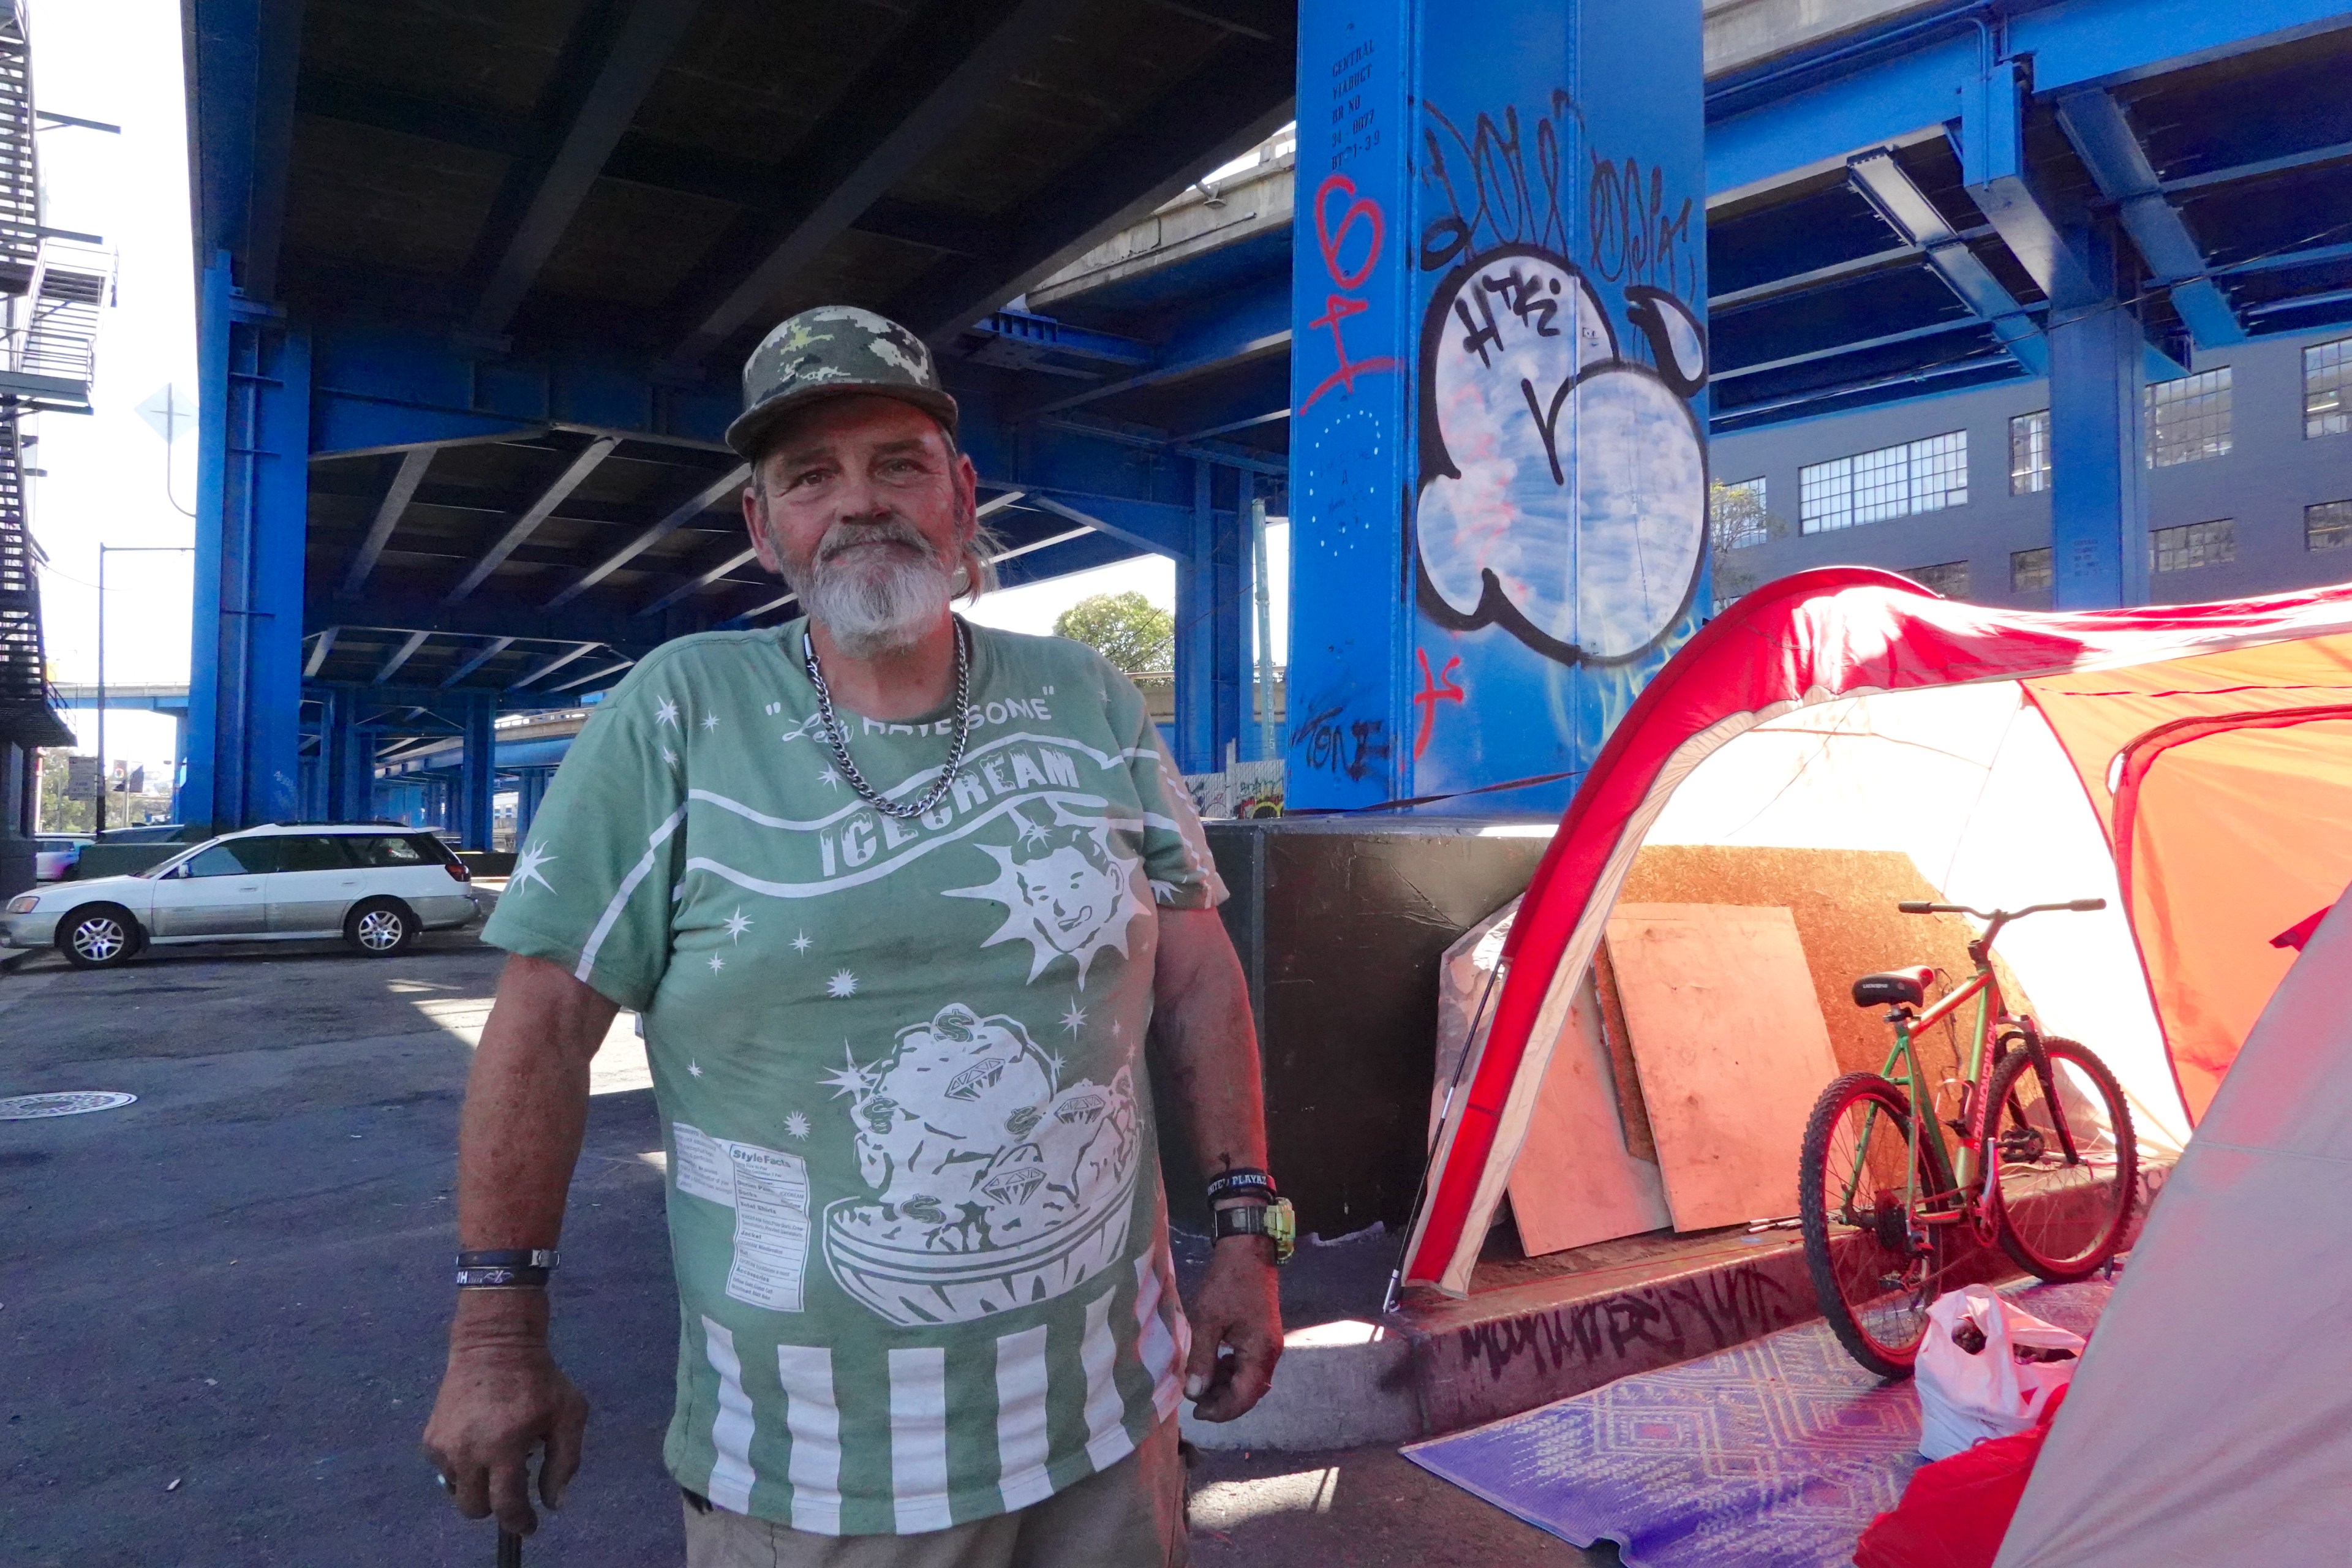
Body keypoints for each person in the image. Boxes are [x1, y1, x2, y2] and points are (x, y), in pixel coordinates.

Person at [422, 305, 1287, 1566]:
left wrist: (1248, 1236)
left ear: (961, 493)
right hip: (818, 1470)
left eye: (899, 462)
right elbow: (544, 1028)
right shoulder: (680, 712)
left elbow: (1199, 982)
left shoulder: (1087, 695)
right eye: (812, 475)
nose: (861, 502)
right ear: (762, 526)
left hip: (1113, 1422)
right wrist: (497, 1334)